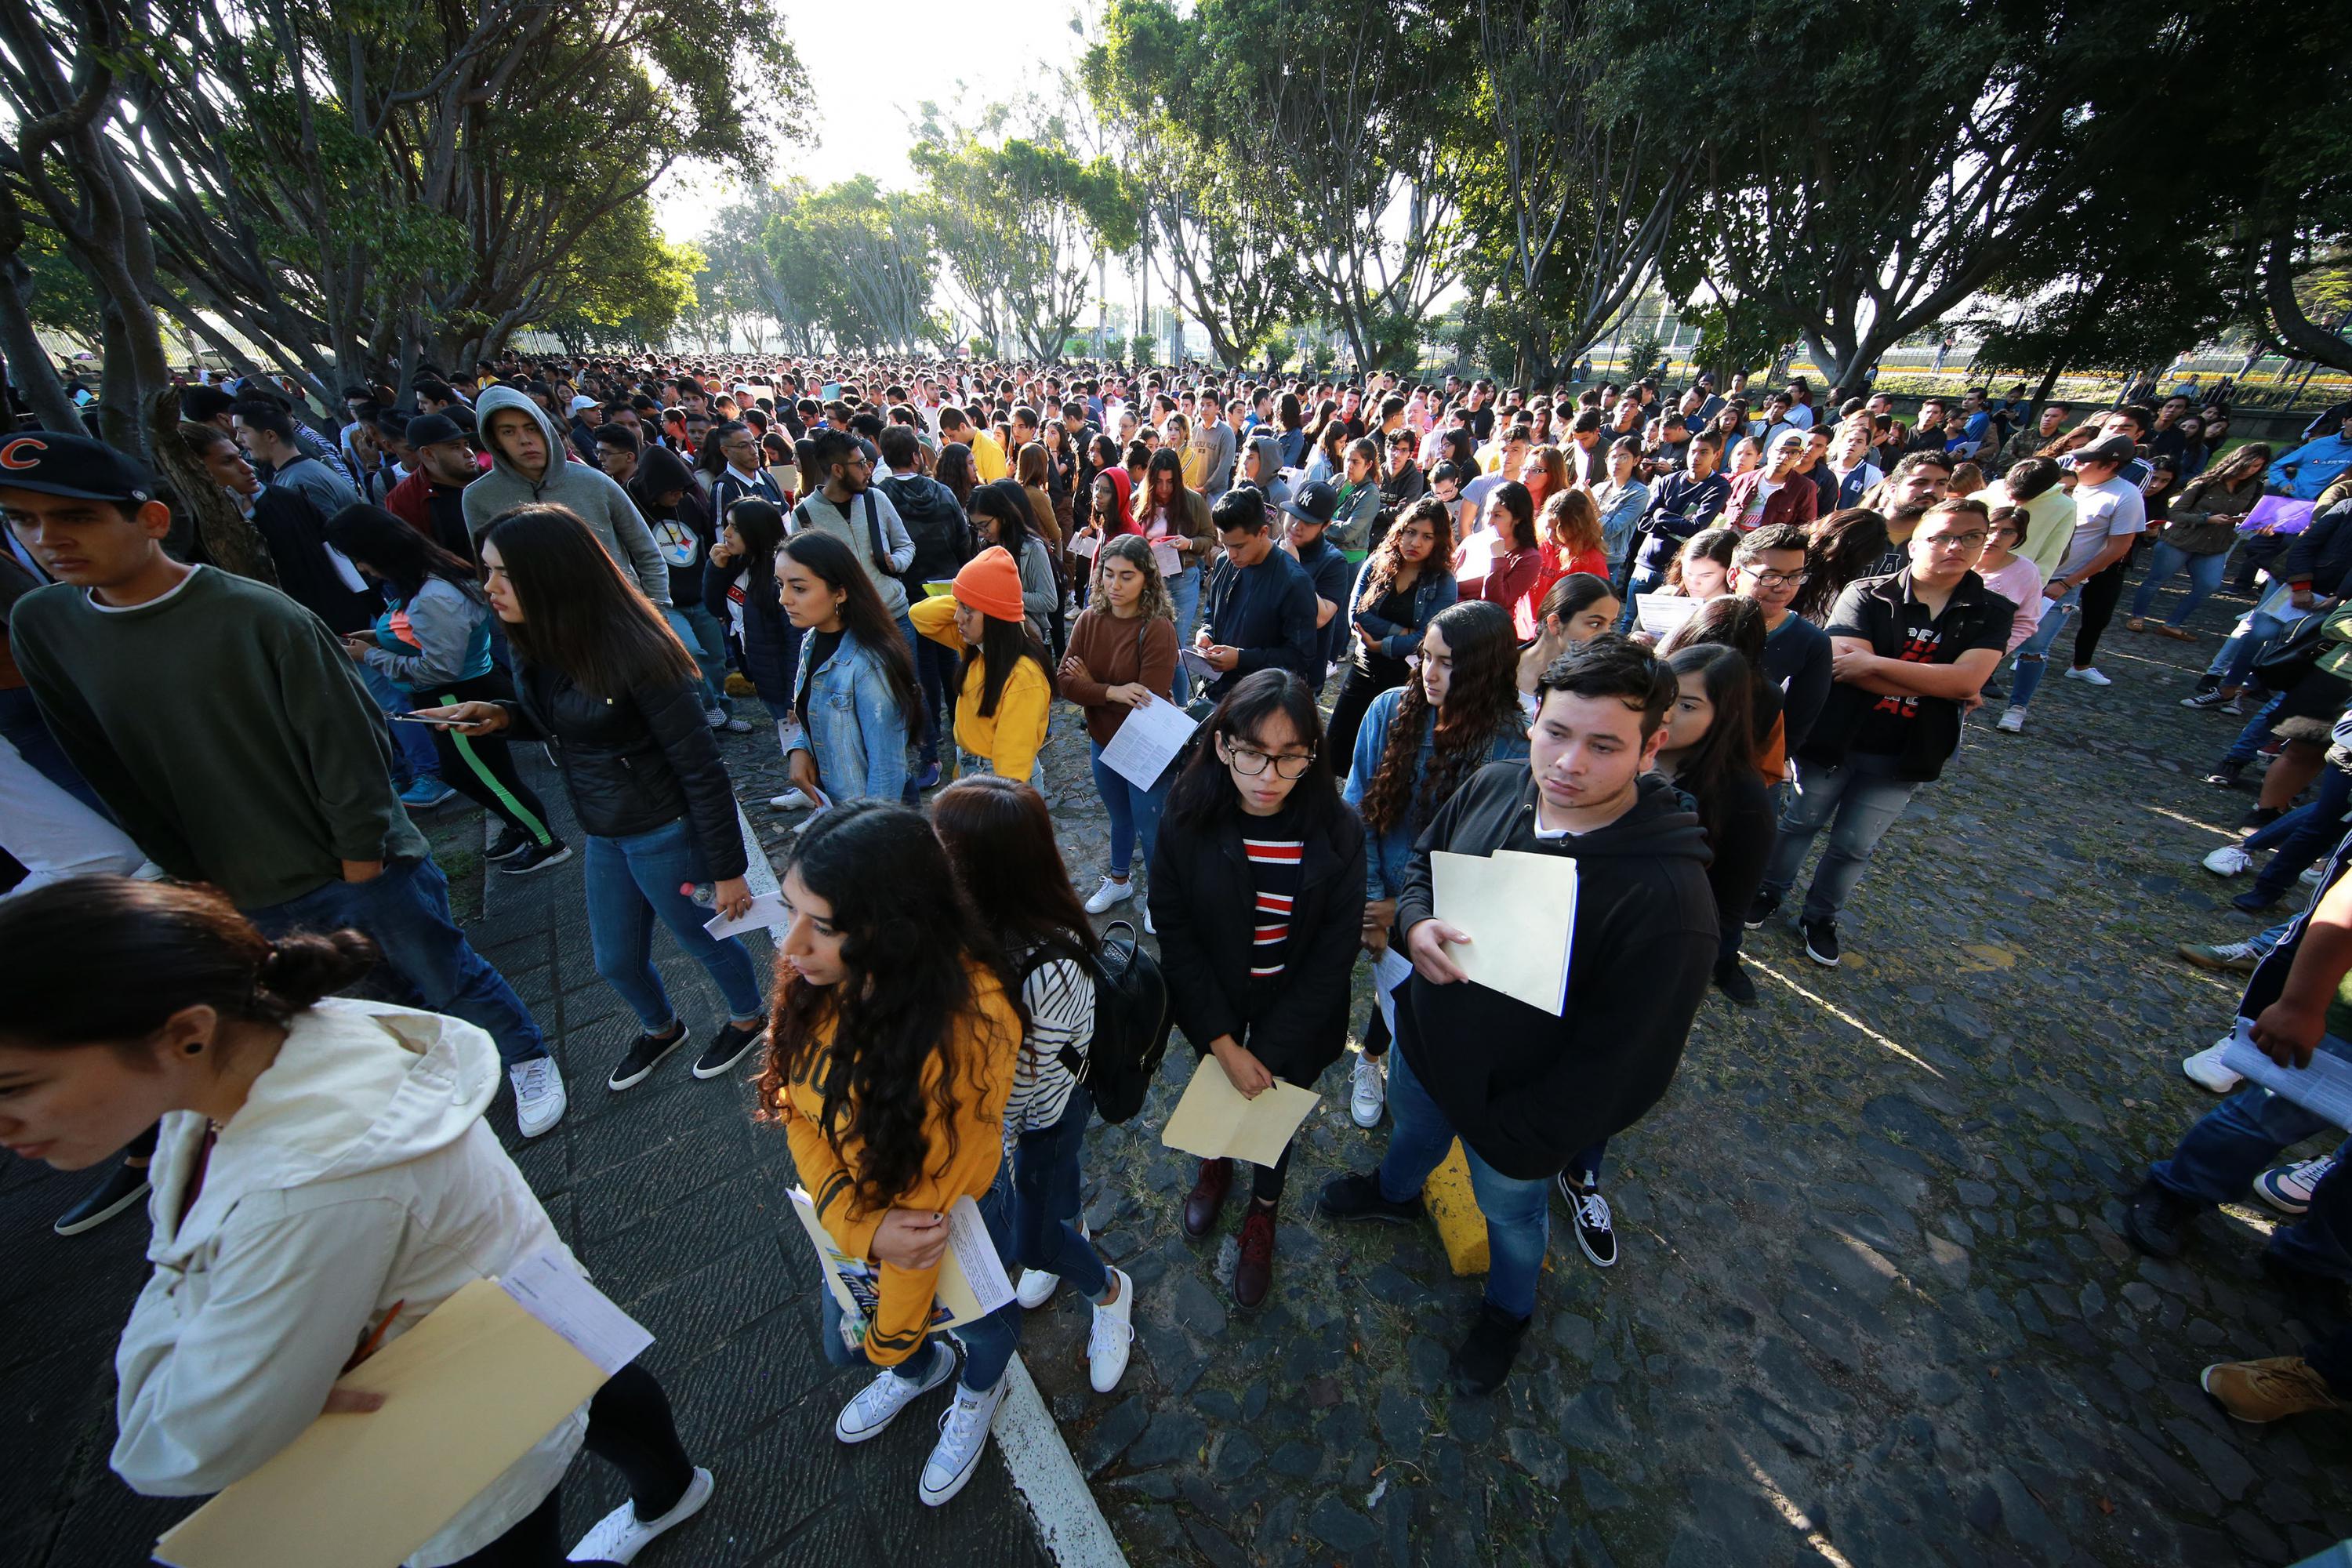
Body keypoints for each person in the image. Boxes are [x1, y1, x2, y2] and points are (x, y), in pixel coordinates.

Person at [0, 877, 713, 1566]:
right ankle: (673, 1489)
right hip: (519, 1287)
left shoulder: (304, 1189)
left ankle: (671, 1491)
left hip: (449, 1406)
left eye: (18, 1087)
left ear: (186, 1032)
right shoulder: (293, 1029)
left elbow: (178, 1442)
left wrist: (204, 1311)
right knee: (597, 1378)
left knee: (513, 1524)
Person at [5, 432, 564, 1166]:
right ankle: (426, 1098)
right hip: (228, 882)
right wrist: (186, 873)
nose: (49, 539)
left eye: (74, 517)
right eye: (23, 519)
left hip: (353, 866)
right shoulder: (45, 624)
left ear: (149, 519)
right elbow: (99, 759)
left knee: (440, 971)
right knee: (345, 1008)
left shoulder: (257, 615)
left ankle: (525, 1057)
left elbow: (347, 744)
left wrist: (360, 857)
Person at [1317, 636, 1715, 1396]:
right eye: (1556, 731)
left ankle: (1507, 1311)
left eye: (1604, 745)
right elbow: (1425, 862)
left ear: (1651, 745)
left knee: (1513, 1219)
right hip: (1426, 1050)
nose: (1567, 762)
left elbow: (1627, 1067)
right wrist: (1416, 922)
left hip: (1520, 1122)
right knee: (1412, 1134)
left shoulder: (1668, 901)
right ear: (1533, 714)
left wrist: (1517, 1136)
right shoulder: (1496, 781)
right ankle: (1394, 1194)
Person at [416, 505, 769, 1091]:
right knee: (613, 960)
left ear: (551, 573)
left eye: (503, 573)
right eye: (487, 571)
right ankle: (662, 1028)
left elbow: (702, 767)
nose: (489, 587)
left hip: (664, 830)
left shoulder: (640, 651)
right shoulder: (535, 641)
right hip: (604, 829)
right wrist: (500, 716)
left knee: (703, 939)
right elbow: (566, 723)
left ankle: (749, 1016)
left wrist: (728, 871)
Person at [757, 803, 1026, 1506]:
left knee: (984, 1332)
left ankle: (976, 1390)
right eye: (792, 912)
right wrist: (858, 1226)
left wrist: (893, 1332)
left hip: (959, 1223)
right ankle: (919, 1371)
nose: (790, 948)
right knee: (850, 1344)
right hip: (865, 1227)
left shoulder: (966, 1028)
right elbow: (795, 1111)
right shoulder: (820, 984)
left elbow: (925, 1229)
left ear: (892, 927)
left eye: (821, 926)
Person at [1152, 670, 1365, 1308]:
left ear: (1312, 753)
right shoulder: (1187, 816)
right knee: (1221, 1083)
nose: (1268, 776)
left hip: (1295, 1012)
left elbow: (1335, 954)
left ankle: (1263, 1210)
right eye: (1252, 753)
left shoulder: (1336, 829)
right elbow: (1175, 928)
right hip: (1215, 1001)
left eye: (1290, 757)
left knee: (1274, 1116)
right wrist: (1220, 1039)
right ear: (1223, 745)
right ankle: (1214, 1163)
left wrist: (1265, 1050)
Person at [929, 777, 1136, 1392]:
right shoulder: (973, 926)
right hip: (1017, 1117)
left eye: (943, 848)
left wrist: (998, 1139)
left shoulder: (1049, 959)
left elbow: (1040, 1080)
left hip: (1043, 1116)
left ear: (981, 867)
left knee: (1035, 1241)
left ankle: (1109, 1292)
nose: (932, 858)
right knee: (1052, 1201)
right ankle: (1068, 1224)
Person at [1751, 499, 2013, 964]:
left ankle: (1820, 917)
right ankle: (1767, 892)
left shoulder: (1990, 610)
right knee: (1799, 821)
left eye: (1970, 537)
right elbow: (1844, 666)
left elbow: (1968, 681)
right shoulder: (1867, 593)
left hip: (1908, 748)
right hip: (1835, 737)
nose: (1956, 547)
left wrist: (1874, 663)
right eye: (1942, 536)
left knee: (1856, 844)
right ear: (1916, 542)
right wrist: (1936, 680)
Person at [1341, 601, 1530, 1127]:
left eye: (1447, 662)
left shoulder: (1512, 747)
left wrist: (1406, 909)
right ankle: (1371, 1061)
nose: (1429, 671)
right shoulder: (1388, 710)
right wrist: (1377, 900)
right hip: (1381, 898)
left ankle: (1409, 1074)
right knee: (1390, 989)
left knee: (1427, 1003)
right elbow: (1360, 807)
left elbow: (1496, 855)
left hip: (1446, 911)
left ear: (1484, 669)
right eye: (1426, 655)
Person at [324, 505, 570, 877]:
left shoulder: (435, 594)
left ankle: (546, 842)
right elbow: (420, 637)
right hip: (449, 695)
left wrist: (374, 656)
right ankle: (521, 829)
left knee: (491, 778)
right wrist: (378, 639)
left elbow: (440, 666)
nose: (361, 568)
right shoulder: (422, 581)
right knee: (464, 774)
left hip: (457, 696)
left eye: (360, 558)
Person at [1062, 534, 1181, 923]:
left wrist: (1091, 685)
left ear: (1147, 578)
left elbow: (1149, 699)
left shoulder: (1157, 627)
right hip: (1102, 740)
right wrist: (1112, 690)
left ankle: (1158, 896)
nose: (1114, 585)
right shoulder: (1088, 620)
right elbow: (1064, 682)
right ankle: (1119, 880)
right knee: (1119, 818)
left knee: (1150, 824)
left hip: (1143, 746)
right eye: (1108, 574)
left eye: (1126, 576)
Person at [463, 386, 672, 606]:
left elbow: (647, 552)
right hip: (543, 627)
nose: (524, 440)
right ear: (493, 439)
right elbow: (490, 573)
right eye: (508, 431)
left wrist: (657, 610)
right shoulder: (479, 497)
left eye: (531, 428)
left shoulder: (594, 481)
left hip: (620, 615)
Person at [1653, 643, 1776, 1007]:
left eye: (1688, 706)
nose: (1666, 713)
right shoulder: (1618, 750)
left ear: (1725, 715)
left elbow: (1731, 904)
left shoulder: (1744, 796)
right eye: (1663, 696)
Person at [1996, 434, 2146, 730]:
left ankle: (2017, 707)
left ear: (2112, 464)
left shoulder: (2126, 496)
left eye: (2086, 459)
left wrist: (2067, 584)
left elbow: (2118, 548)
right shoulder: (2056, 486)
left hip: (2059, 583)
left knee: (2035, 646)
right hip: (2011, 574)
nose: (2076, 461)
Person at [775, 531, 923, 807]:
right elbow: (816, 716)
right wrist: (799, 749)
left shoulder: (868, 664)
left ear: (840, 592)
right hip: (836, 805)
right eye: (780, 584)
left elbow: (887, 769)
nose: (784, 598)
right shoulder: (812, 640)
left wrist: (867, 838)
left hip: (871, 817)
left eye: (798, 588)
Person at [1327, 496, 1459, 768]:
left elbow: (1426, 638)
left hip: (1404, 679)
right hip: (1363, 670)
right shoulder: (1377, 562)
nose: (1415, 543)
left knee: (1385, 758)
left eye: (1427, 536)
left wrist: (1384, 645)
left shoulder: (1444, 583)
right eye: (1410, 532)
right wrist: (1400, 632)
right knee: (1336, 750)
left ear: (1438, 541)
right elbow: (1356, 614)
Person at [909, 546, 1056, 783]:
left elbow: (1012, 767)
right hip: (974, 767)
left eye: (966, 610)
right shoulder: (976, 647)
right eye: (958, 606)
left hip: (997, 780)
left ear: (996, 617)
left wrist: (984, 600)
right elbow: (920, 616)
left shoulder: (1025, 676)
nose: (957, 617)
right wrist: (966, 597)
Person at [2128, 443, 2270, 640]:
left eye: (2257, 467)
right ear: (2236, 461)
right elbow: (2175, 513)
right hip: (2181, 539)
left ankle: (2172, 624)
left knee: (2209, 585)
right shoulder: (2206, 482)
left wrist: (2249, 520)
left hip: (2216, 545)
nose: (2250, 470)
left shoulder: (2256, 489)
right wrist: (2205, 519)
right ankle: (2137, 616)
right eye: (2248, 464)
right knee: (2156, 579)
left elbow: (2255, 516)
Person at [1196, 485, 1321, 702]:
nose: (1231, 554)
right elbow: (1211, 612)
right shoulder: (1225, 563)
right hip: (1214, 689)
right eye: (1225, 545)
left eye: (1239, 546)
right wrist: (1206, 633)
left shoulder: (1294, 582)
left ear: (1263, 532)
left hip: (1258, 701)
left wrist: (1242, 659)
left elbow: (1299, 658)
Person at [1732, 523, 1833, 755]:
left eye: (1795, 577)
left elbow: (1797, 726)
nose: (1783, 589)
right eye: (1770, 577)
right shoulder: (1702, 621)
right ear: (1734, 575)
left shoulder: (1812, 644)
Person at [383, 411, 486, 564]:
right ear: (428, 453)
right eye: (455, 447)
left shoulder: (491, 478)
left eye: (467, 445)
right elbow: (412, 553)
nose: (468, 453)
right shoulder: (404, 500)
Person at [231, 401, 363, 519]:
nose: (238, 439)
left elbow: (330, 539)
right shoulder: (302, 470)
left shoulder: (300, 482)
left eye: (242, 432)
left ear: (270, 436)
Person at [1514, 572, 1621, 716]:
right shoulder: (1496, 668)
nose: (1606, 635)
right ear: (1555, 624)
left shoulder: (1596, 687)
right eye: (1595, 624)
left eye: (1611, 625)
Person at [1279, 480, 1356, 680]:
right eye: (1294, 516)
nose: (1296, 526)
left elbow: (1320, 618)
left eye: (1308, 522)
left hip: (1301, 674)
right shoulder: (1274, 547)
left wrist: (1294, 568)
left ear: (1325, 525)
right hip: (1261, 660)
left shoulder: (1334, 562)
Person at [967, 479, 1058, 646]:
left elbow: (1049, 600)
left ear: (1003, 516)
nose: (981, 534)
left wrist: (1004, 594)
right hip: (993, 634)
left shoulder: (1032, 548)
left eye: (984, 525)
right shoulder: (986, 546)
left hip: (1025, 635)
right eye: (976, 527)